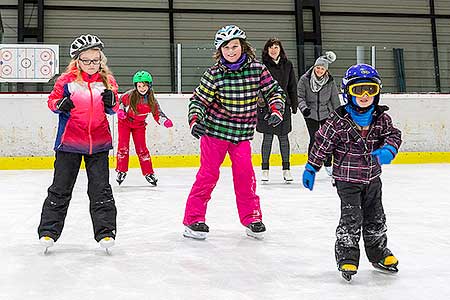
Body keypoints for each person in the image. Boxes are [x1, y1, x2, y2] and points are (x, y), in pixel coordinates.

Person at [183, 25, 285, 240]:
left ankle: (252, 218)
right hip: (215, 133)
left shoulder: (258, 69)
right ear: (220, 51)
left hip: (242, 135)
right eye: (226, 47)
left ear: (243, 46)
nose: (231, 51)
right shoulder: (214, 74)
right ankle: (193, 220)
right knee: (208, 175)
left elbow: (274, 91)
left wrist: (276, 109)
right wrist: (195, 120)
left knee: (245, 177)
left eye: (235, 46)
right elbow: (199, 101)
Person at [301, 63, 402, 281]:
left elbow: (394, 135)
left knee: (376, 217)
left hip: (373, 178)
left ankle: (378, 253)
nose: (365, 95)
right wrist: (312, 166)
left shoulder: (381, 118)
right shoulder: (337, 121)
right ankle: (347, 256)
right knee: (351, 218)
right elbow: (322, 143)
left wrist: (389, 149)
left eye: (370, 90)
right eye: (358, 90)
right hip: (347, 179)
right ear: (348, 92)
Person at [38, 34, 119, 252]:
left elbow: (113, 108)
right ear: (77, 61)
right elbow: (52, 101)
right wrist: (59, 104)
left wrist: (113, 103)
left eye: (96, 60)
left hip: (99, 144)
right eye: (87, 60)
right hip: (69, 144)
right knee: (61, 188)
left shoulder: (108, 81)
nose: (92, 65)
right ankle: (48, 232)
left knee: (101, 190)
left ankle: (105, 232)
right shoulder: (66, 81)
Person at [115, 70, 173, 186]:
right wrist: (120, 112)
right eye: (139, 86)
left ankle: (149, 173)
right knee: (123, 147)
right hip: (125, 123)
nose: (142, 88)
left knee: (142, 150)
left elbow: (157, 114)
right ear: (135, 86)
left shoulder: (151, 100)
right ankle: (121, 170)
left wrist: (164, 121)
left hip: (139, 126)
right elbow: (120, 104)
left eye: (144, 86)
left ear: (149, 86)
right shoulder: (129, 95)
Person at [257, 38, 298, 183]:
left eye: (276, 47)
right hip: (266, 107)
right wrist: (260, 100)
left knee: (283, 138)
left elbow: (292, 85)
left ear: (280, 49)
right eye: (271, 47)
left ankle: (286, 169)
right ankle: (265, 170)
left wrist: (294, 104)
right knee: (267, 138)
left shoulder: (287, 65)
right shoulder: (262, 66)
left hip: (284, 106)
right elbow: (257, 86)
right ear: (267, 50)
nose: (274, 50)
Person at [297, 51, 340, 177]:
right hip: (310, 113)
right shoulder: (305, 80)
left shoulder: (330, 81)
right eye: (318, 68)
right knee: (314, 139)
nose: (320, 70)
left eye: (322, 69)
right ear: (314, 67)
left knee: (328, 140)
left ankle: (328, 164)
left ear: (326, 71)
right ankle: (311, 165)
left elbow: (335, 99)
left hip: (326, 113)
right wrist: (304, 108)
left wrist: (338, 114)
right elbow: (300, 96)